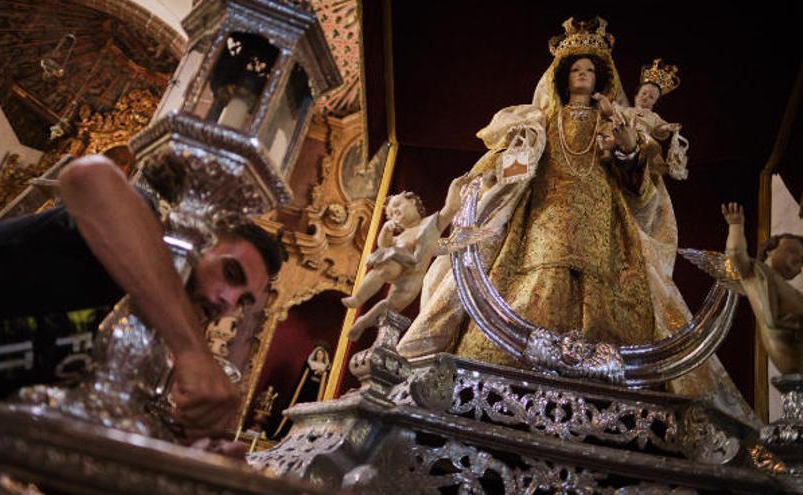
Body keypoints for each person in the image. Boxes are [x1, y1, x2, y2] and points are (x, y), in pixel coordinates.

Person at [395, 18, 752, 419]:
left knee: (604, 288)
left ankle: (600, 382)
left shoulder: (612, 122)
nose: (583, 75)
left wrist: (629, 148)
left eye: (591, 71)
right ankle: (508, 376)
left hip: (603, 218)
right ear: (563, 78)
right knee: (537, 273)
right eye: (577, 70)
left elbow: (637, 186)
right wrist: (508, 162)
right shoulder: (539, 120)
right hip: (546, 213)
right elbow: (511, 165)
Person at [0, 154, 283, 441]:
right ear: (198, 239)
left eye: (243, 301)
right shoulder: (137, 226)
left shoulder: (140, 335)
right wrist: (193, 350)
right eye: (230, 273)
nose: (227, 301)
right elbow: (89, 178)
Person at [342, 178, 466, 340]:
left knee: (390, 306)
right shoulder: (401, 236)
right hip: (396, 266)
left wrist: (455, 186)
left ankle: (363, 322)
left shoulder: (430, 224)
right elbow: (384, 244)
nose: (395, 213)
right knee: (383, 268)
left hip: (412, 279)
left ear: (412, 201)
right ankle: (358, 298)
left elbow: (451, 208)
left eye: (397, 206)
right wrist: (386, 230)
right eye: (391, 214)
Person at [723, 202, 803, 374]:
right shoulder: (755, 274)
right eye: (792, 251)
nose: (798, 259)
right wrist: (736, 226)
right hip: (792, 361)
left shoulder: (792, 291)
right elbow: (736, 252)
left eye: (802, 259)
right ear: (770, 251)